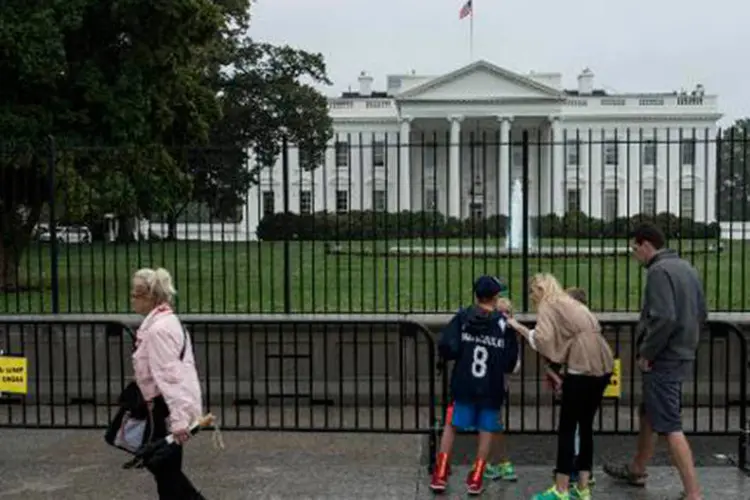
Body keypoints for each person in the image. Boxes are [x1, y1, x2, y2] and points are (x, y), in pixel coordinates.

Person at [602, 223, 706, 500]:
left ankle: (693, 493)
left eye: (634, 248)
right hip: (683, 352)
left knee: (670, 423)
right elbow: (701, 312)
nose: (634, 255)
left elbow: (664, 318)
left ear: (646, 244)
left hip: (664, 358)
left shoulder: (659, 272)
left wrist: (648, 352)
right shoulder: (687, 267)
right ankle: (637, 468)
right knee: (648, 411)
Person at [508, 274, 613, 500]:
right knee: (585, 427)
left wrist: (521, 329)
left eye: (532, 293)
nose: (532, 298)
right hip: (602, 363)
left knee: (567, 427)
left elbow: (544, 340)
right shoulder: (571, 303)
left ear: (538, 290)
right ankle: (583, 488)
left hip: (581, 366)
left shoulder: (548, 304)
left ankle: (561, 488)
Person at [430, 276, 520, 495]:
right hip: (490, 385)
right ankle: (477, 477)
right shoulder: (502, 323)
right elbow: (509, 362)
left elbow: (447, 348)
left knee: (451, 425)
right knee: (486, 429)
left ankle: (440, 473)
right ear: (496, 296)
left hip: (464, 381)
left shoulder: (463, 317)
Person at [130, 267, 206, 499]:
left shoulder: (158, 330)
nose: (131, 299)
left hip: (165, 408)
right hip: (169, 406)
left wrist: (179, 421)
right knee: (164, 468)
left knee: (165, 470)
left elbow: (169, 378)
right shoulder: (166, 322)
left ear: (148, 297)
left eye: (134, 294)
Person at [547, 288, 596, 487]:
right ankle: (584, 471)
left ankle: (572, 471)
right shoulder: (590, 326)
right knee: (582, 429)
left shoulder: (574, 330)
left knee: (572, 430)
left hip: (578, 382)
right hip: (588, 382)